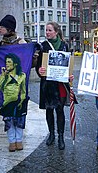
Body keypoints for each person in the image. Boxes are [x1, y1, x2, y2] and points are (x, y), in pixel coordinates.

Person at [36, 21, 76, 150]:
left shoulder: (64, 46)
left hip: (60, 84)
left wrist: (70, 75)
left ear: (56, 32)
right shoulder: (42, 46)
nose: (47, 33)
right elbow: (38, 65)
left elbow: (69, 64)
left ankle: (61, 137)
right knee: (49, 110)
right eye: (46, 30)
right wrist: (39, 71)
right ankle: (51, 134)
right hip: (47, 84)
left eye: (49, 30)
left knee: (60, 111)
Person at [0, 14, 27, 152]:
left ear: (9, 28)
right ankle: (11, 141)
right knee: (8, 114)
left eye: (2, 27)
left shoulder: (21, 43)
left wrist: (34, 53)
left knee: (19, 113)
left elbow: (29, 61)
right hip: (8, 86)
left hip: (19, 84)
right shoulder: (2, 44)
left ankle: (19, 140)